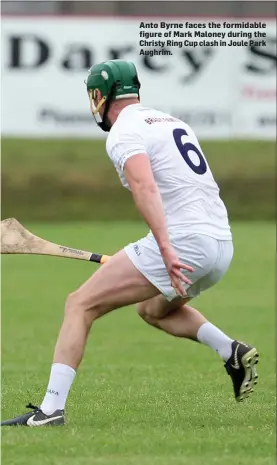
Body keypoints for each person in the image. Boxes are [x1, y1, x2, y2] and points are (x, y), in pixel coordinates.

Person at [1, 60, 259, 427]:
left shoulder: (123, 131)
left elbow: (144, 186)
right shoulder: (172, 122)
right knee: (155, 311)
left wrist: (167, 249)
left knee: (80, 304)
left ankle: (50, 411)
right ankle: (230, 350)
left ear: (98, 96)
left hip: (182, 242)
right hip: (220, 243)